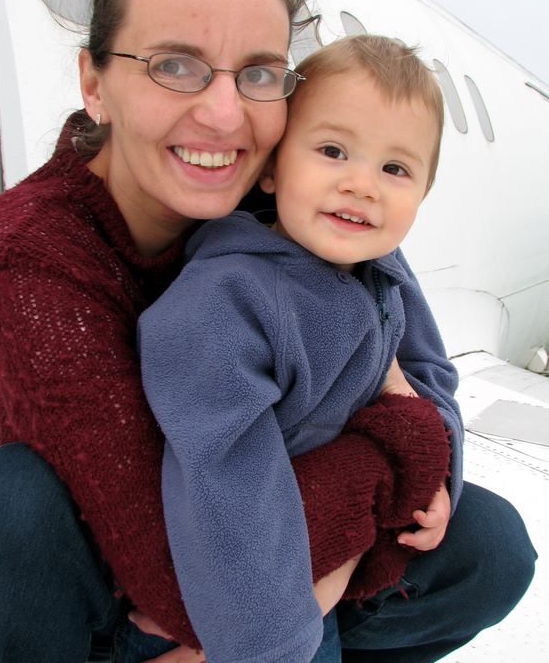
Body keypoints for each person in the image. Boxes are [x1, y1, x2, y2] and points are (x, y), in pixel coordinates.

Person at [0, 0, 535, 663]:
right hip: (149, 585)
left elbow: (425, 374)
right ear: (94, 83)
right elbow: (177, 570)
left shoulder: (304, 201)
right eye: (175, 64)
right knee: (18, 498)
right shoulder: (32, 255)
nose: (224, 114)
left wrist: (430, 453)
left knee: (489, 545)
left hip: (286, 533)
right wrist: (402, 453)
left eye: (259, 73)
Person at [136, 34, 456, 663]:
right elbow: (222, 479)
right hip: (241, 596)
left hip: (320, 559)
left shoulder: (381, 270)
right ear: (273, 167)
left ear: (422, 194)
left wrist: (435, 475)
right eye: (333, 151)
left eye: (395, 169)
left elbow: (428, 373)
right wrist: (269, 644)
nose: (362, 185)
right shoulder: (228, 298)